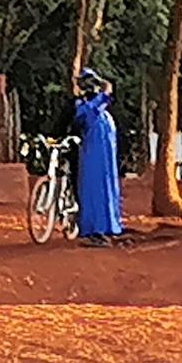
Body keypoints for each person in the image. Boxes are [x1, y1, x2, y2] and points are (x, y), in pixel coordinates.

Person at [73, 68, 122, 246]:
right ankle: (95, 230)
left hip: (105, 156)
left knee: (108, 187)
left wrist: (104, 90)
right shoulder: (84, 107)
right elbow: (87, 113)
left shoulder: (103, 110)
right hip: (93, 155)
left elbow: (105, 99)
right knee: (94, 190)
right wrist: (104, 92)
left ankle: (108, 227)